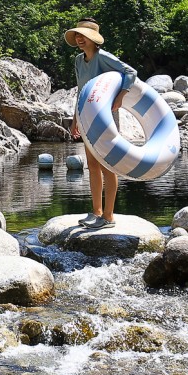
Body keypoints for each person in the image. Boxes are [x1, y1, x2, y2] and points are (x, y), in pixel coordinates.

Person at [66, 18, 137, 230]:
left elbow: (130, 72)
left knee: (108, 166)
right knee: (92, 165)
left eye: (83, 35)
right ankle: (96, 212)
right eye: (76, 35)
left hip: (106, 116)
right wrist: (75, 119)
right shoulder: (79, 61)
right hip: (86, 116)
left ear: (92, 38)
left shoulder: (103, 57)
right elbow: (81, 91)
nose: (79, 38)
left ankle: (108, 216)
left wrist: (120, 97)